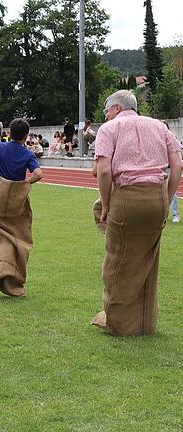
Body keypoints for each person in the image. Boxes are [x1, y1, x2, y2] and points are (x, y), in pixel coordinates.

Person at [91, 90, 183, 336]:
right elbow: (178, 165)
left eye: (107, 110)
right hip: (157, 198)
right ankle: (144, 323)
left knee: (117, 262)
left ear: (117, 108)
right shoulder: (158, 126)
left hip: (127, 198)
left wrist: (107, 204)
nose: (106, 115)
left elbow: (105, 172)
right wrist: (167, 196)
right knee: (148, 261)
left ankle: (118, 322)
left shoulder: (109, 130)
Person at [0, 118, 44, 297]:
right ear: (26, 135)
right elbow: (39, 174)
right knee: (17, 237)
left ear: (9, 132)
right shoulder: (27, 154)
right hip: (15, 201)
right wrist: (25, 184)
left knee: (1, 235)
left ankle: (2, 272)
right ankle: (7, 276)